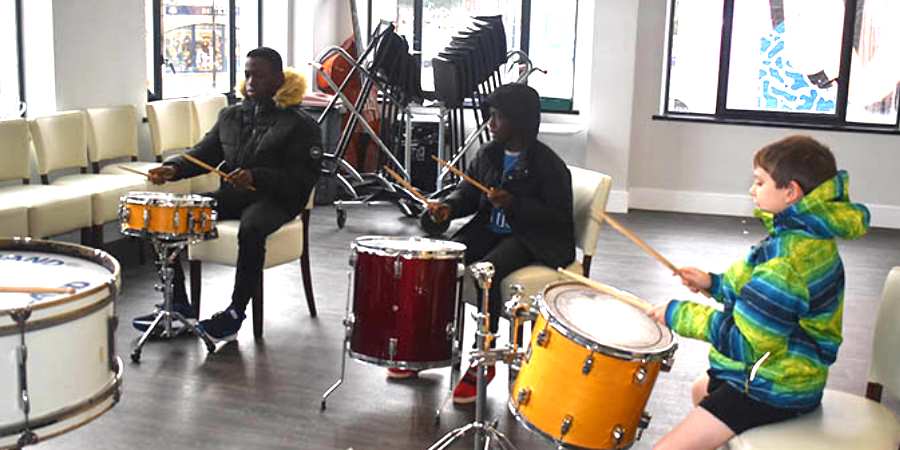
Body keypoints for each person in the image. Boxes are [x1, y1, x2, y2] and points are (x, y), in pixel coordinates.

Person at [648, 135, 870, 449]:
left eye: (760, 182)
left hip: (777, 388)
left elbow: (746, 342)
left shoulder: (789, 261)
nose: (752, 190)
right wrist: (714, 283)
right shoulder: (799, 236)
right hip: (782, 370)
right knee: (701, 389)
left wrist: (677, 314)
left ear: (791, 192)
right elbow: (756, 290)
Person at [395, 83, 575, 405]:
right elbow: (468, 193)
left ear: (519, 121)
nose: (491, 124)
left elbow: (558, 219)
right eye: (490, 116)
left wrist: (514, 204)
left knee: (484, 273)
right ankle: (426, 346)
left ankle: (485, 361)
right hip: (490, 231)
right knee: (441, 262)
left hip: (530, 239)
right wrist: (447, 208)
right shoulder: (488, 154)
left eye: (498, 117)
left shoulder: (550, 166)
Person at [134, 47, 323, 342]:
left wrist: (256, 176)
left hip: (278, 199)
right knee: (169, 216)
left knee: (251, 228)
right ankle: (179, 305)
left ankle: (235, 313)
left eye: (258, 76)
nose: (250, 82)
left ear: (278, 79)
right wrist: (172, 169)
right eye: (247, 74)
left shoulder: (301, 125)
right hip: (235, 195)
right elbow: (203, 154)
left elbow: (302, 180)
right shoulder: (230, 116)